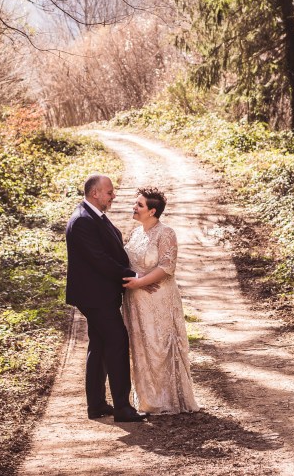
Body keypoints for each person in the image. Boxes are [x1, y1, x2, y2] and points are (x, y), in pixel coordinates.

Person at [65, 174, 148, 423]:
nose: (113, 196)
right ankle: (122, 407)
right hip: (95, 296)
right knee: (118, 341)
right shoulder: (82, 220)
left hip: (100, 294)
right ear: (95, 193)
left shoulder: (94, 215)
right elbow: (100, 260)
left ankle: (97, 405)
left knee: (100, 345)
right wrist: (133, 276)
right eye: (109, 192)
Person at [121, 187, 200, 414]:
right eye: (136, 203)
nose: (134, 207)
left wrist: (141, 282)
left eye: (139, 205)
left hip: (159, 298)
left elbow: (167, 267)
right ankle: (148, 400)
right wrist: (135, 282)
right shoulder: (136, 233)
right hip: (135, 300)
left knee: (159, 344)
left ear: (152, 211)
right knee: (141, 345)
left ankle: (168, 399)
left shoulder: (166, 233)